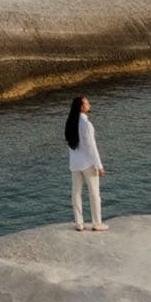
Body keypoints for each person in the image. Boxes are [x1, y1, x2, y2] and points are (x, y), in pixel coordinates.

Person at [64, 93, 106, 231]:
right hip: (88, 164)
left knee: (76, 193)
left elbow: (71, 146)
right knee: (94, 193)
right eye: (87, 103)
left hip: (75, 164)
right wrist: (99, 166)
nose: (89, 105)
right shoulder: (86, 125)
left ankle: (79, 224)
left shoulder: (70, 123)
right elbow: (92, 148)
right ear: (81, 108)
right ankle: (97, 223)